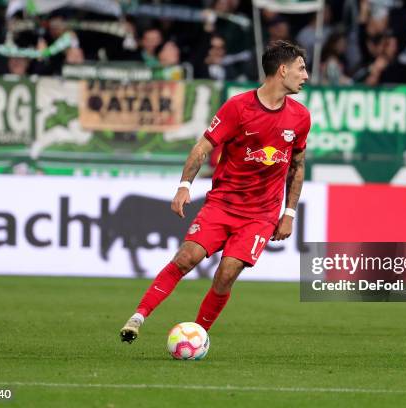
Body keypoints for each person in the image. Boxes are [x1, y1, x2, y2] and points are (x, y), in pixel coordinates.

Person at [119, 40, 311, 343]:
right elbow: (202, 148)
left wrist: (289, 213)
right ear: (282, 70)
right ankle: (138, 316)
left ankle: (195, 337)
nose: (306, 75)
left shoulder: (300, 117)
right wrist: (184, 187)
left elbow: (297, 166)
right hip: (223, 204)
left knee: (226, 273)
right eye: (301, 68)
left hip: (261, 214)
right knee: (187, 257)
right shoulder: (239, 107)